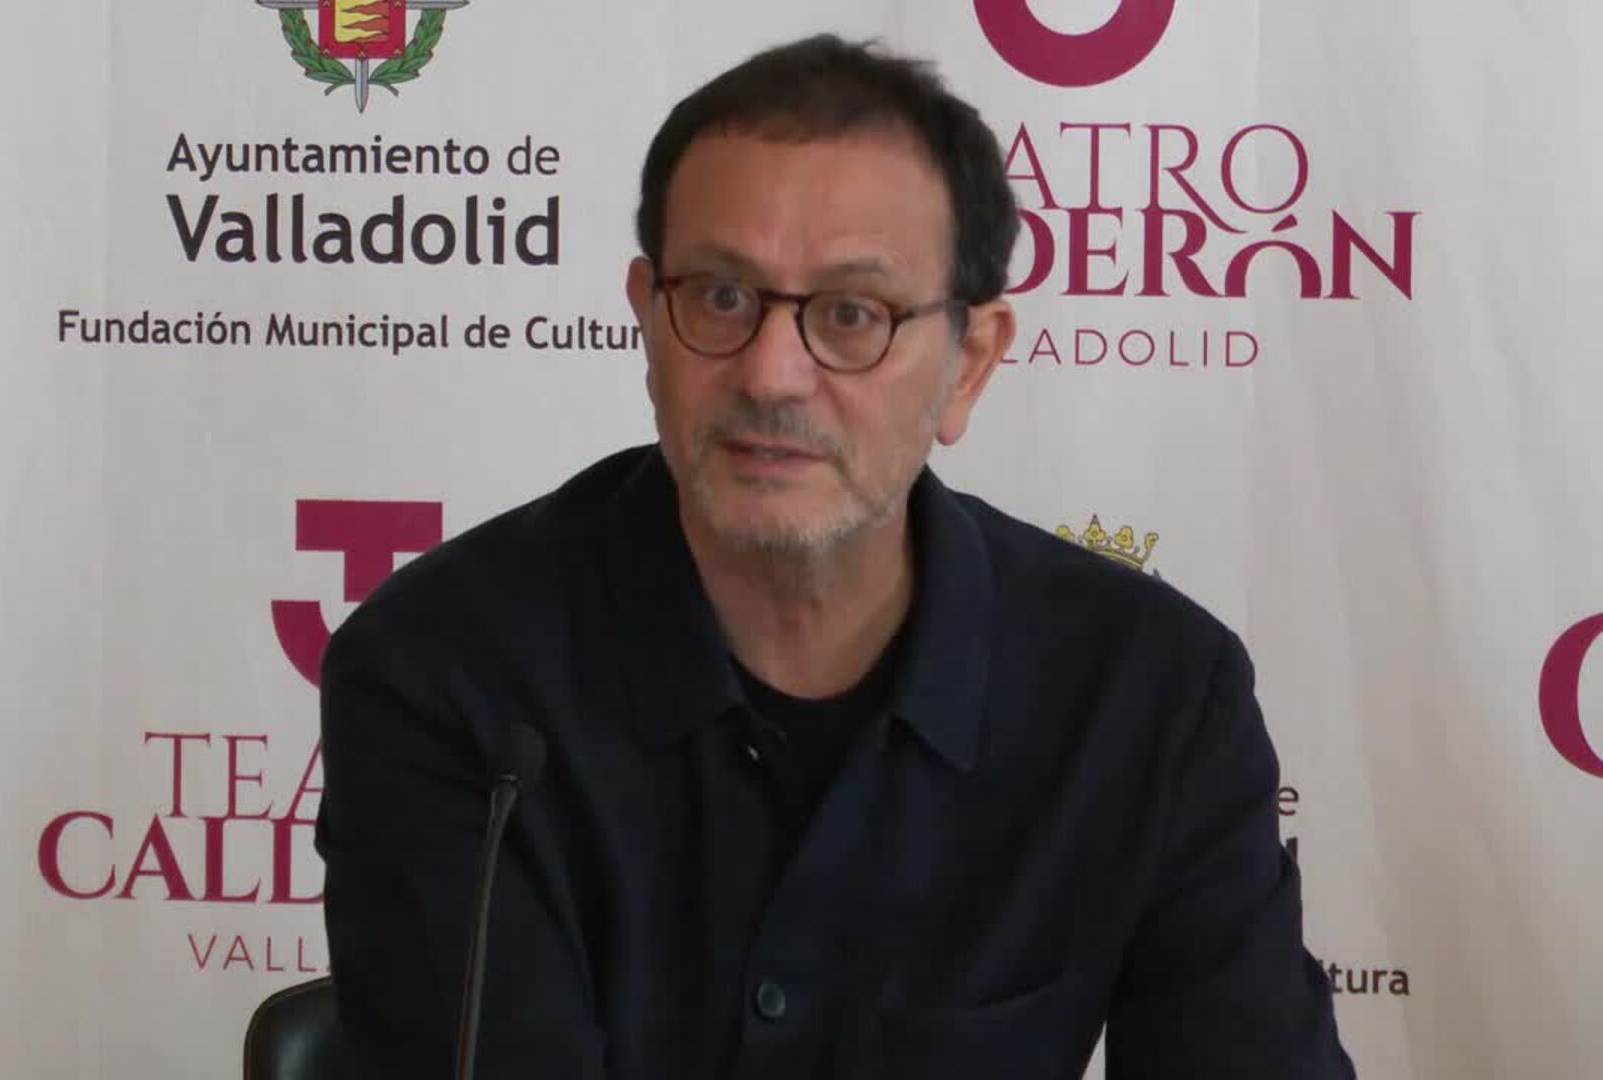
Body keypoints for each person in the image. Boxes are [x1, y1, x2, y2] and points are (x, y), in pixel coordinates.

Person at [315, 33, 1354, 1079]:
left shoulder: (1150, 694)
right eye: (720, 296)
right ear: (648, 322)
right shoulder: (444, 672)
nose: (772, 373)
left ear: (969, 364)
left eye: (852, 314)